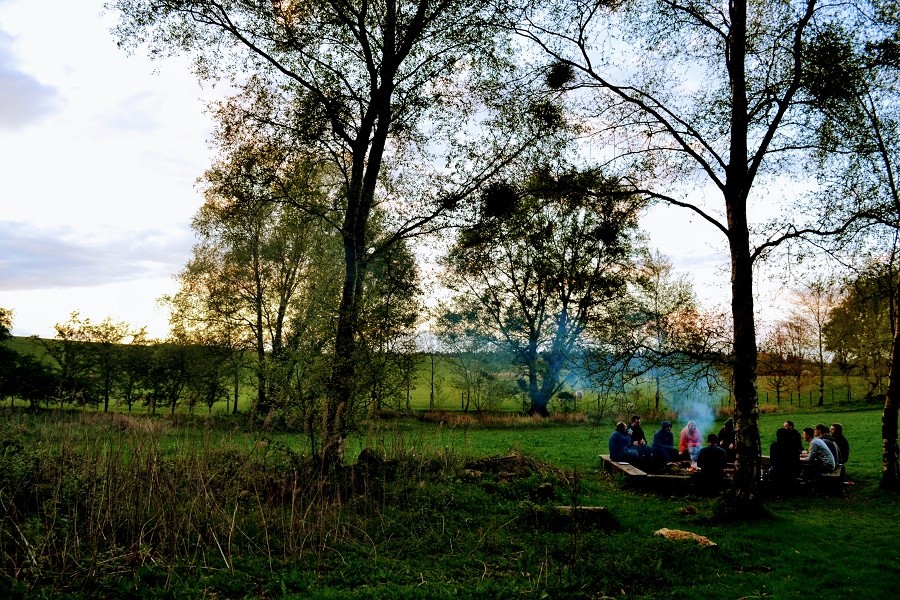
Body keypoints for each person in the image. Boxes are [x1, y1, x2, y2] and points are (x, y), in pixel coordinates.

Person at [767, 427, 801, 493]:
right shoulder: (793, 445)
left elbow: (772, 460)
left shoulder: (774, 446)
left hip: (777, 471)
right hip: (791, 471)